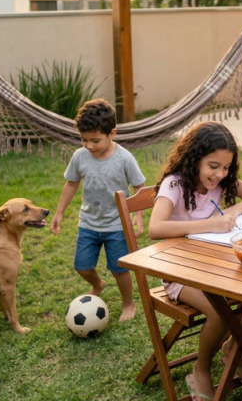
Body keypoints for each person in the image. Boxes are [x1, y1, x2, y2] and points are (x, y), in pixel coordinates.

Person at [147, 121, 242, 400]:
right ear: (194, 158)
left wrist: (234, 212)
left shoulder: (221, 180)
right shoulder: (175, 184)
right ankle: (201, 368)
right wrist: (210, 224)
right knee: (219, 311)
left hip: (217, 266)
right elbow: (156, 227)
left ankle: (232, 346)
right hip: (181, 273)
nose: (220, 174)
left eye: (226, 167)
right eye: (213, 166)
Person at [51, 99, 147, 322]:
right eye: (83, 140)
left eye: (95, 140)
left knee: (120, 269)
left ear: (112, 133)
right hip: (89, 223)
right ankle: (98, 284)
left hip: (117, 225)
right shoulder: (80, 156)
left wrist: (138, 216)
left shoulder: (124, 158)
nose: (89, 146)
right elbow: (72, 183)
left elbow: (139, 186)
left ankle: (128, 304)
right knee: (82, 266)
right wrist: (59, 212)